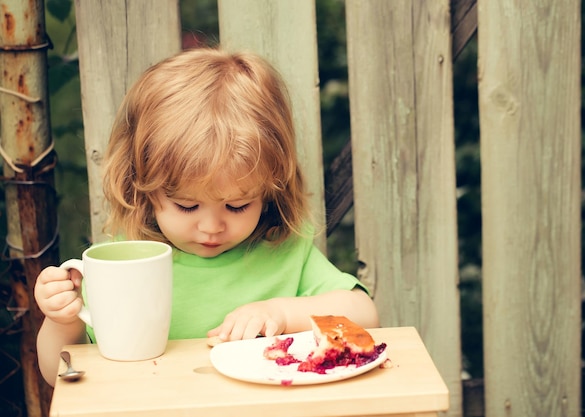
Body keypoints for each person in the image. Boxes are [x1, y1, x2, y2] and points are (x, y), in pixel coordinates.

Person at [34, 47, 379, 386]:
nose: (212, 227)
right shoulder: (128, 262)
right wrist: (62, 321)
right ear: (143, 187)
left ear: (270, 189)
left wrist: (281, 313)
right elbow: (58, 375)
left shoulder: (281, 251)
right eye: (187, 206)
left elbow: (365, 314)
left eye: (237, 206)